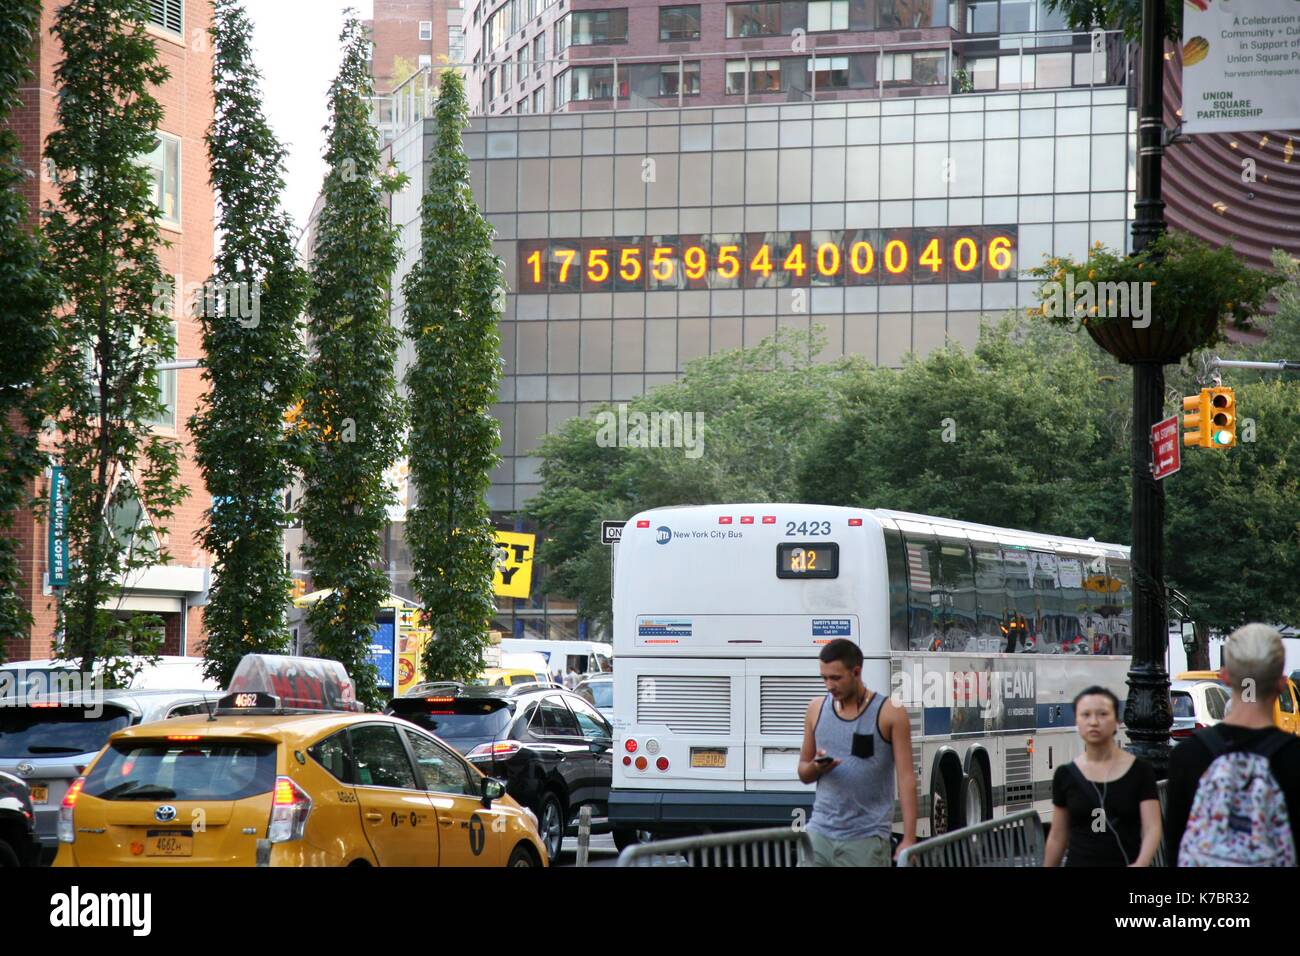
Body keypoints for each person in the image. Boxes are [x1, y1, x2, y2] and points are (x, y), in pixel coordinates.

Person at [1165, 623, 1300, 866]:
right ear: (1281, 684)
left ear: (1224, 677)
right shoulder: (1294, 757)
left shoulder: (1187, 755)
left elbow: (1175, 848)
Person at [797, 638, 917, 866]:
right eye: (824, 678)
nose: (829, 685)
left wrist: (909, 838)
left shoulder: (890, 712)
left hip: (866, 838)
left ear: (856, 672)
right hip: (819, 834)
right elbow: (803, 771)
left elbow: (906, 778)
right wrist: (816, 767)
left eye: (836, 678)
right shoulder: (816, 709)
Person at [1044, 686, 1161, 867]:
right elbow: (1058, 836)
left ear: (1117, 721)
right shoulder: (1065, 775)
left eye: (1103, 714)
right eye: (1086, 715)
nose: (1094, 722)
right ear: (1077, 721)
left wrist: (1142, 862)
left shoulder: (1140, 771)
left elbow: (1152, 827)